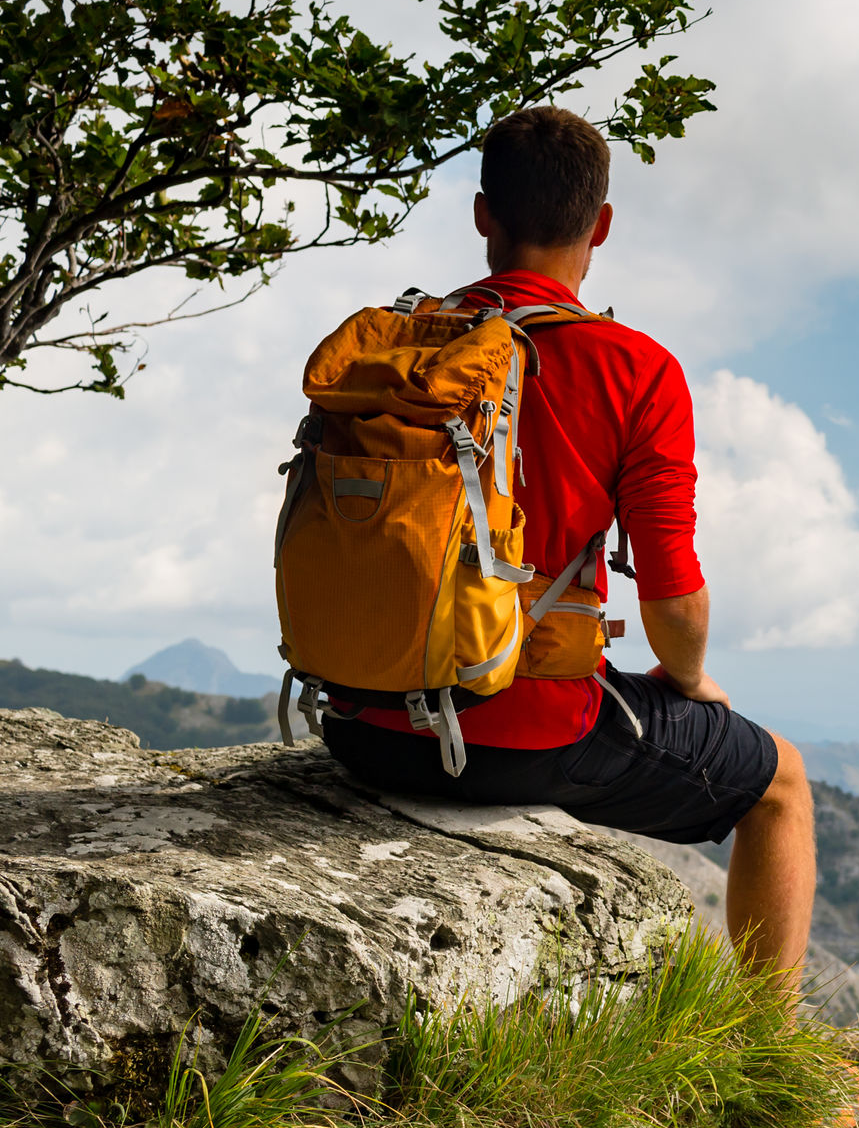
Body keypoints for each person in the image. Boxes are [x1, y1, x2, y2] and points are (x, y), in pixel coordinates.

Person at [317, 106, 813, 981]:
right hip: (522, 735)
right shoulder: (634, 367)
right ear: (603, 226)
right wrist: (693, 683)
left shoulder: (394, 347)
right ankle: (772, 1060)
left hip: (362, 724)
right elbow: (671, 595)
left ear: (482, 216)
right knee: (781, 787)